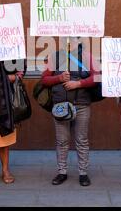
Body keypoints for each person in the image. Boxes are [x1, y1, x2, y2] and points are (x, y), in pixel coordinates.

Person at [41, 37, 99, 187]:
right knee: (62, 141)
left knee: (81, 140)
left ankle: (83, 173)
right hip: (60, 105)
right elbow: (44, 80)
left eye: (73, 39)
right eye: (67, 39)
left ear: (78, 41)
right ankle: (62, 172)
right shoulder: (54, 57)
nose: (69, 41)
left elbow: (97, 77)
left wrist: (78, 83)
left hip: (81, 104)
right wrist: (59, 78)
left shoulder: (87, 56)